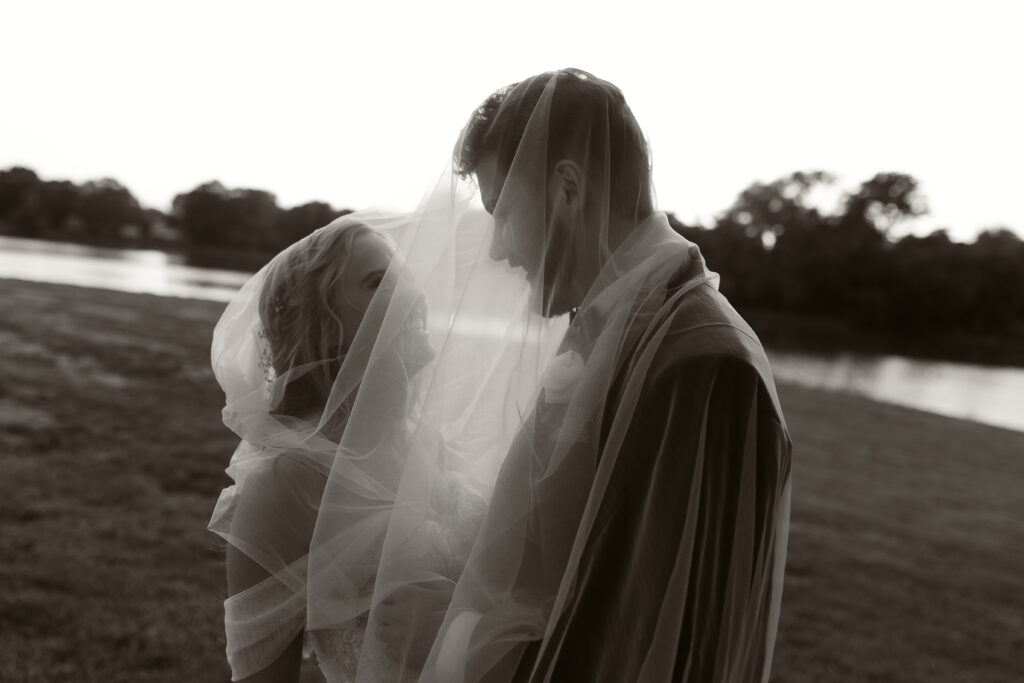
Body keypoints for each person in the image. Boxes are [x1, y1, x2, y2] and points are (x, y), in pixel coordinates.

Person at [413, 68, 794, 682]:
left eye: (503, 212)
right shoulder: (621, 325)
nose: (498, 249)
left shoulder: (703, 361)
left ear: (568, 188)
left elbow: (662, 631)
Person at [209, 205, 565, 681]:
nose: (412, 295)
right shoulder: (284, 486)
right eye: (377, 283)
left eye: (404, 276)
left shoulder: (428, 445)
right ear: (326, 325)